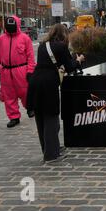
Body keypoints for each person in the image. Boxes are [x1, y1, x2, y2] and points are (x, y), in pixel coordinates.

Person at [27, 24, 85, 164]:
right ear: (64, 34)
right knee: (51, 119)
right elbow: (70, 66)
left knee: (40, 117)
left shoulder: (42, 45)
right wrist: (78, 60)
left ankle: (47, 149)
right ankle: (52, 155)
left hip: (35, 82)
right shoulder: (61, 47)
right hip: (48, 84)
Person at [0, 16, 36, 128]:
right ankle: (14, 117)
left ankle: (30, 107)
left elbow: (31, 57)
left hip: (22, 70)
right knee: (9, 95)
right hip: (6, 71)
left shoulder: (25, 38)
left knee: (25, 92)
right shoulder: (0, 40)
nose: (10, 28)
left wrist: (30, 71)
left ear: (17, 25)